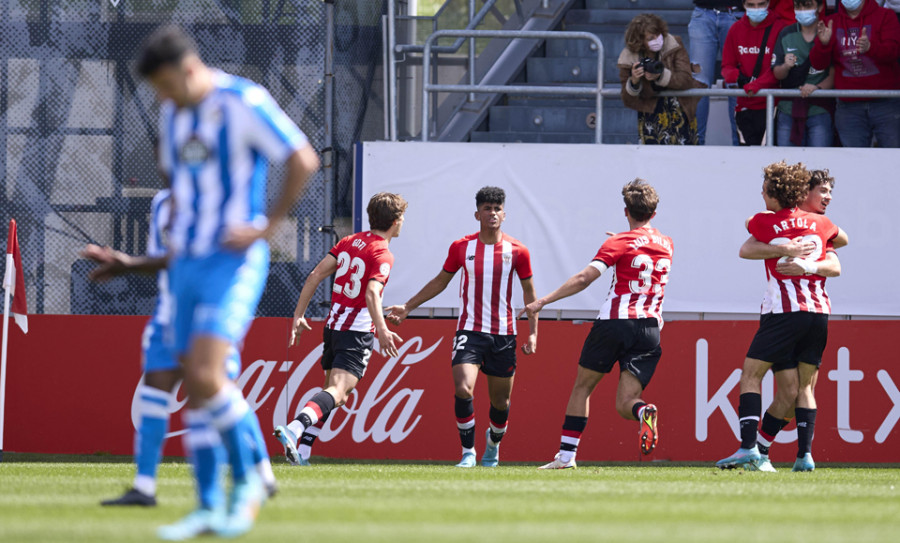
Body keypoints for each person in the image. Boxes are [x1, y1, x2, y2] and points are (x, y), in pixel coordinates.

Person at [136, 25, 319, 539]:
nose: (163, 97)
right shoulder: (173, 114)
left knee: (205, 373)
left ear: (188, 68)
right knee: (196, 384)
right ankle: (208, 504)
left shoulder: (243, 101)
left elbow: (302, 157)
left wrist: (268, 224)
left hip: (231, 264)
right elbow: (184, 186)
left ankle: (248, 484)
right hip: (186, 264)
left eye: (166, 85)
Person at [84, 190, 277, 507]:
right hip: (168, 314)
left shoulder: (215, 194)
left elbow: (201, 256)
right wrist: (132, 264)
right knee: (154, 388)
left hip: (209, 312)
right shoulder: (161, 202)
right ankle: (144, 486)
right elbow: (167, 260)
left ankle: (261, 473)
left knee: (217, 390)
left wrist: (129, 263)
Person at [523, 180, 673, 469]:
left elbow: (584, 278)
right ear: (654, 213)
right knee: (626, 403)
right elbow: (642, 250)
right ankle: (643, 411)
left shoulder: (618, 242)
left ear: (625, 210)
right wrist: (625, 241)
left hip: (615, 323)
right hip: (650, 329)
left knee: (583, 388)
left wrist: (544, 301)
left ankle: (566, 457)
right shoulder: (667, 243)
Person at [385, 187, 538, 468]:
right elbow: (440, 281)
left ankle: (492, 445)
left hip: (504, 335)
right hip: (469, 331)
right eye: (487, 208)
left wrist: (533, 331)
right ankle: (468, 453)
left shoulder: (518, 251)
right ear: (477, 214)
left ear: (504, 214)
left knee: (500, 404)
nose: (492, 213)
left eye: (497, 208)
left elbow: (530, 294)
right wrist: (408, 307)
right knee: (463, 388)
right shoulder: (461, 247)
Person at [716, 162, 843, 472]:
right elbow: (842, 243)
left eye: (765, 191)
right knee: (796, 389)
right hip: (818, 313)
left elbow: (745, 247)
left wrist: (783, 246)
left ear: (774, 196)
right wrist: (814, 247)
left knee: (751, 375)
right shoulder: (821, 224)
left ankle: (748, 448)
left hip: (783, 313)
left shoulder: (764, 222)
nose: (761, 194)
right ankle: (800, 456)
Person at [273, 192, 407, 466]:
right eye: (402, 217)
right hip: (356, 332)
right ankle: (294, 429)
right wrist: (381, 329)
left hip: (333, 327)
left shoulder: (349, 241)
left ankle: (303, 454)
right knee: (339, 392)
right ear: (395, 221)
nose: (403, 222)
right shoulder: (383, 252)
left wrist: (299, 315)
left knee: (332, 395)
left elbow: (315, 275)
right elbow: (371, 293)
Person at [809, 0, 900, 147]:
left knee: (894, 159)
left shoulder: (886, 16)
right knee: (855, 162)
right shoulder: (831, 22)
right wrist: (823, 45)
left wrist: (871, 47)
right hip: (849, 107)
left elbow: (894, 52)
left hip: (886, 103)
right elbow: (818, 64)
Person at [618, 13, 706, 145]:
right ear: (640, 41)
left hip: (680, 108)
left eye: (658, 34)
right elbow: (627, 100)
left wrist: (661, 75)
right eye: (651, 38)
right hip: (650, 113)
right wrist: (634, 82)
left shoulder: (674, 44)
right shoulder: (629, 57)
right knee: (653, 159)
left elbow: (686, 80)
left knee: (685, 158)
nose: (657, 40)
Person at [722, 0, 790, 145]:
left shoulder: (780, 28)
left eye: (761, 4)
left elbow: (778, 68)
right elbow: (727, 65)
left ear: (768, 3)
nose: (756, 8)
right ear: (744, 5)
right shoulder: (735, 29)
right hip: (744, 106)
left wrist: (755, 85)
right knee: (747, 160)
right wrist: (736, 77)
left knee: (771, 161)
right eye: (751, 5)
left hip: (773, 106)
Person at [773, 1, 837, 146]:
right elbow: (777, 73)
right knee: (787, 166)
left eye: (807, 6)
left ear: (820, 7)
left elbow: (834, 75)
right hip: (788, 109)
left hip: (820, 109)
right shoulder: (786, 33)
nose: (802, 11)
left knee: (819, 165)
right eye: (798, 6)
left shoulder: (828, 32)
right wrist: (785, 67)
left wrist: (817, 88)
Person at [688, 1, 745, 145]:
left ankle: (740, 145)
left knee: (736, 81)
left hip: (737, 12)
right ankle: (696, 146)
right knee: (699, 83)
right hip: (703, 11)